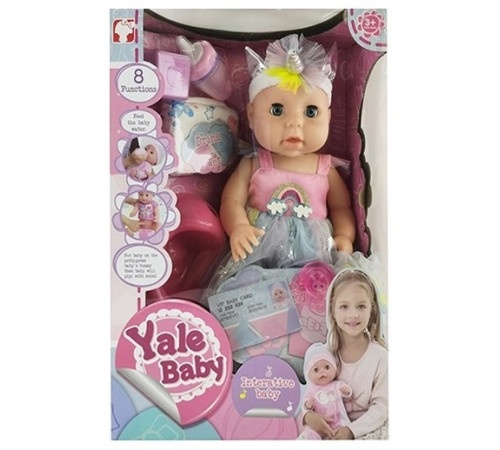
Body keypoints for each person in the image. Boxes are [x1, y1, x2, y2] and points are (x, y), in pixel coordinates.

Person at [215, 34, 355, 284]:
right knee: (249, 285)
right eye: (277, 110)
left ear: (329, 117)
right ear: (251, 114)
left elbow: (341, 208)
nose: (294, 123)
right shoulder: (254, 163)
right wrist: (238, 227)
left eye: (310, 111)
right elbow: (231, 200)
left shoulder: (325, 168)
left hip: (313, 254)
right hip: (260, 247)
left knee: (315, 288)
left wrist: (345, 236)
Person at [302, 269, 388, 439]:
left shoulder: (380, 356)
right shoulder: (324, 354)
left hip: (366, 428)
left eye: (361, 306)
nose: (353, 314)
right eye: (344, 306)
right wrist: (308, 415)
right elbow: (310, 391)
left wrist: (351, 431)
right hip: (330, 427)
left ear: (372, 310)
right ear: (332, 310)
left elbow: (382, 407)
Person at [298, 342, 352, 439]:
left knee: (342, 430)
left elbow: (346, 391)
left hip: (337, 421)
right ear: (308, 374)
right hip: (318, 424)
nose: (322, 372)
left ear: (334, 369)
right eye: (316, 370)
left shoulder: (336, 384)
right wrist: (308, 404)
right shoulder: (311, 389)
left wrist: (346, 391)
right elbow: (305, 402)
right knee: (310, 433)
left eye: (327, 367)